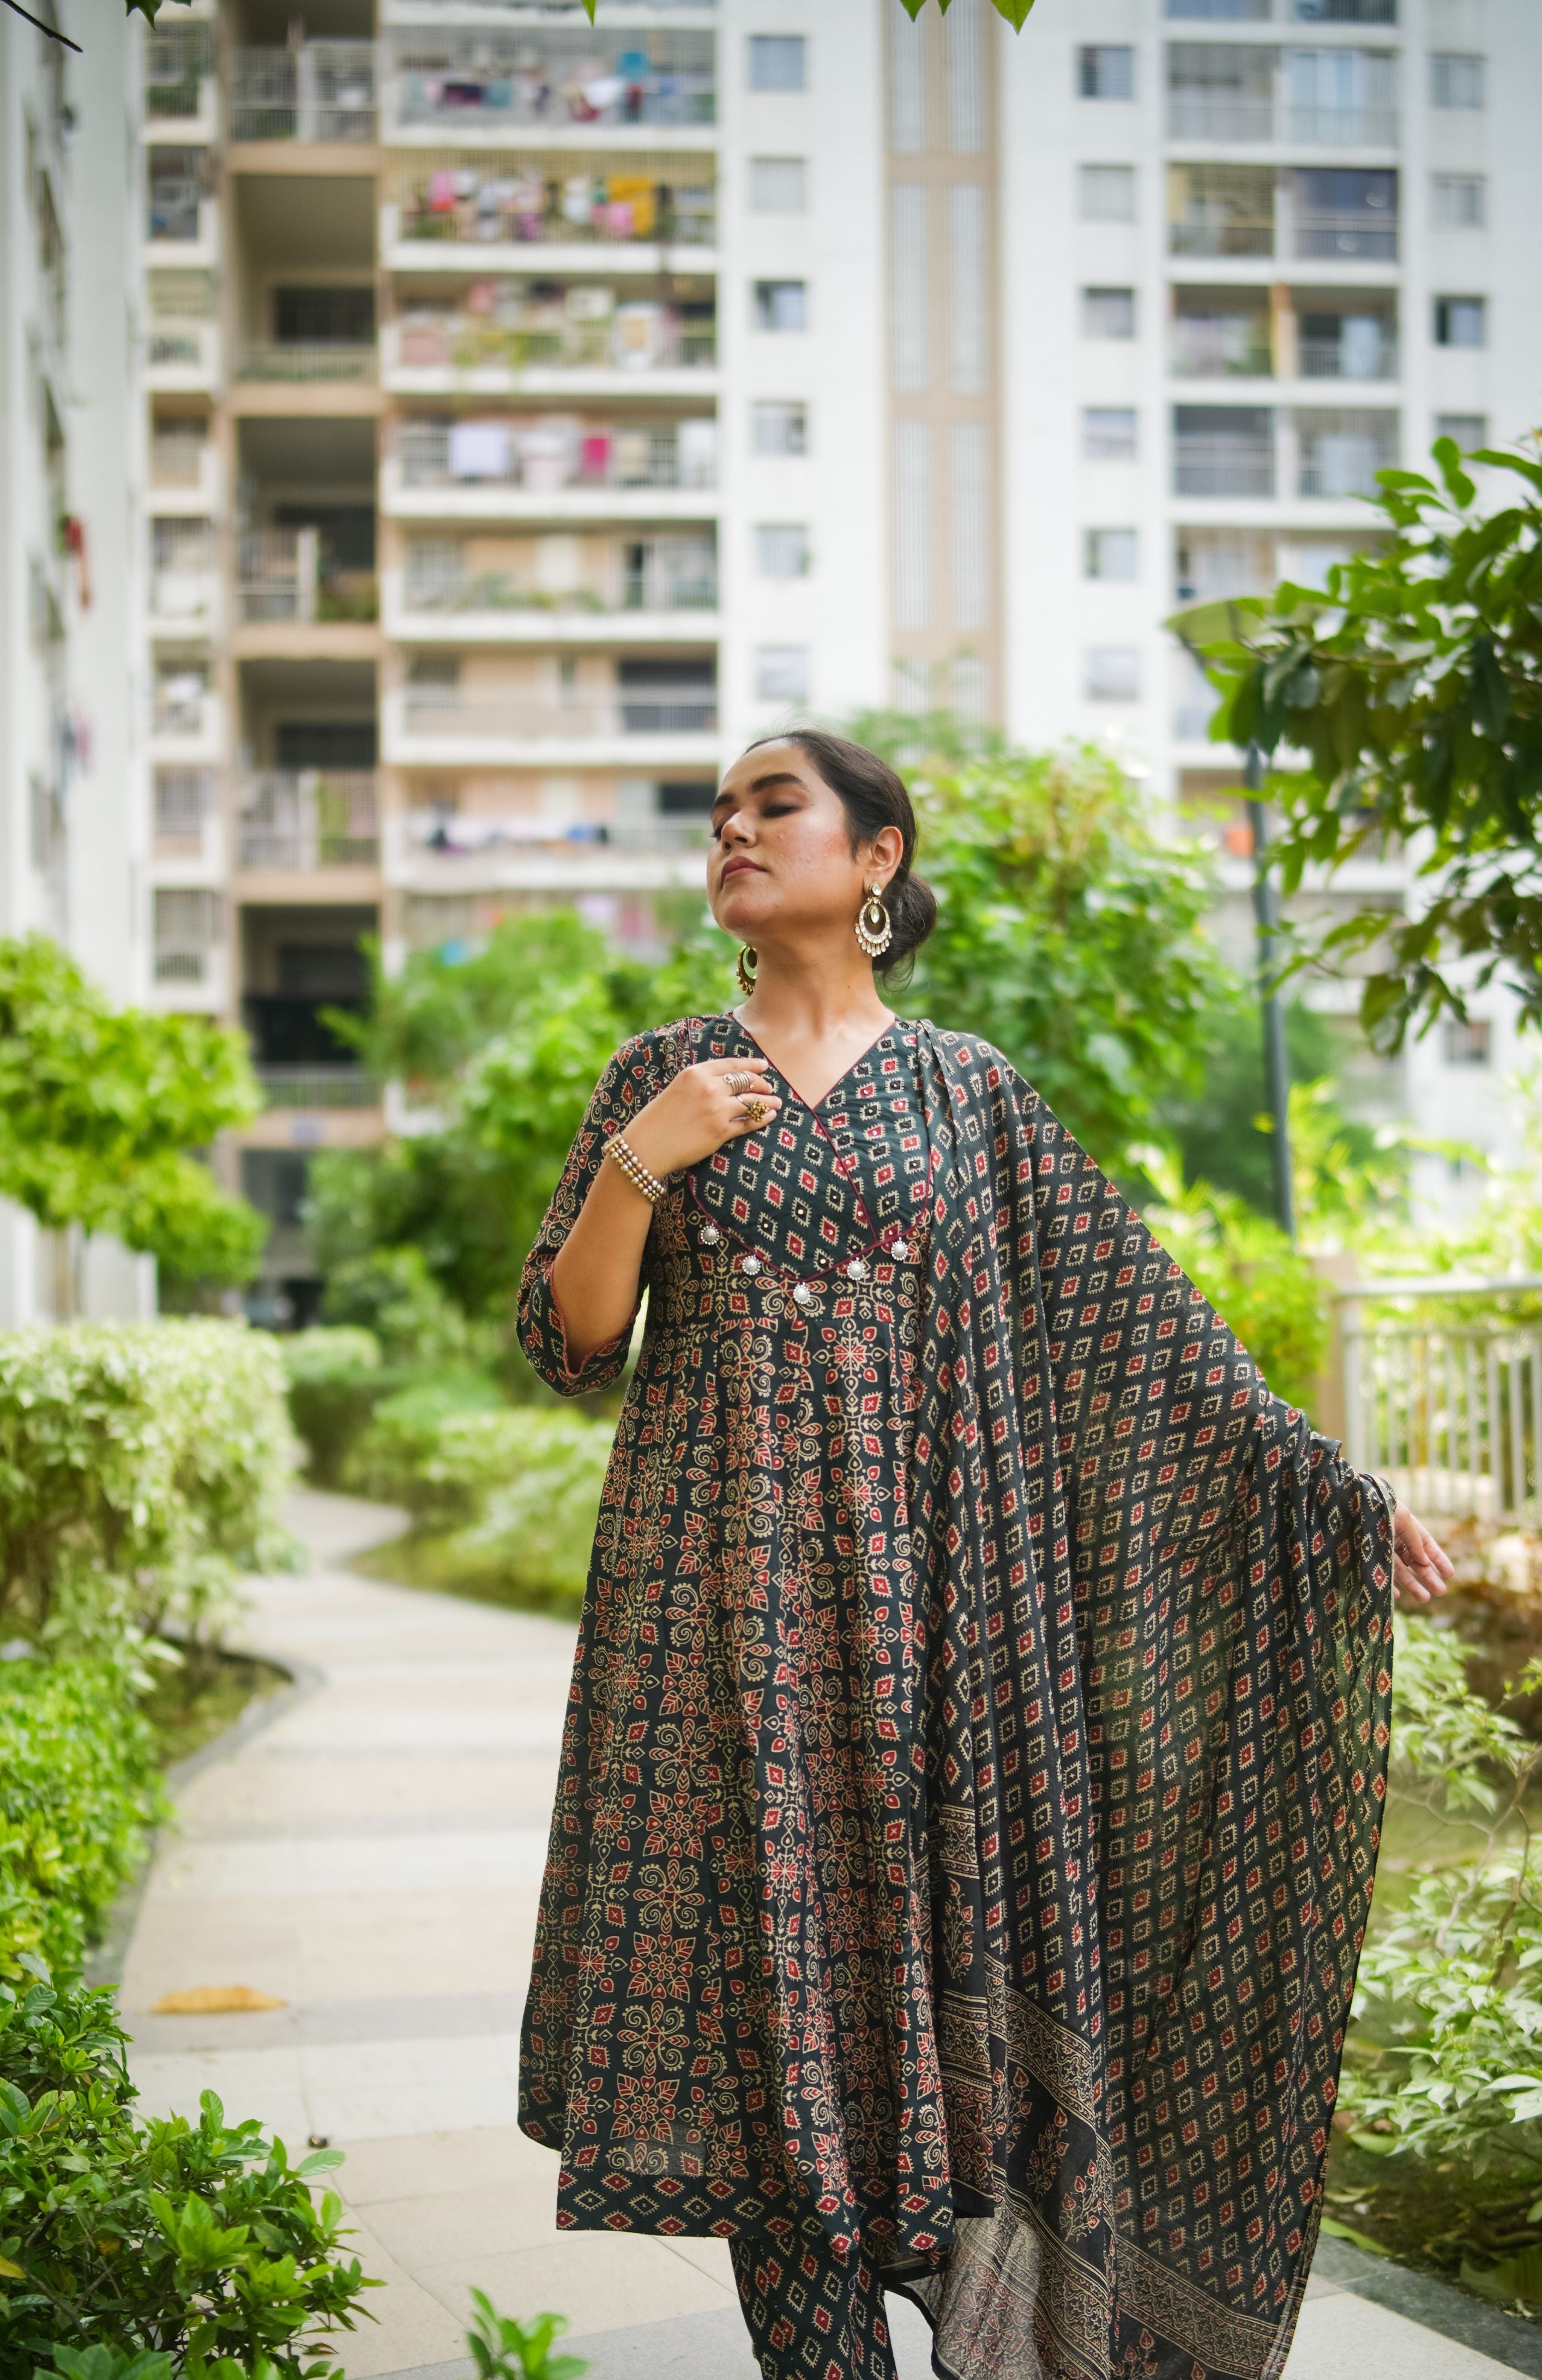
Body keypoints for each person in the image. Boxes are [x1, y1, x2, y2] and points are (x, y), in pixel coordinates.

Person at [514, 730, 1451, 2380]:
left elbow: (1134, 1330)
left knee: (932, 2013)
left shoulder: (967, 1092)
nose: (735, 833)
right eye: (720, 816)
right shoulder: (662, 1073)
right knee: (766, 2025)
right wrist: (645, 1154)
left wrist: (1322, 1492)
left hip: (937, 1630)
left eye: (775, 806)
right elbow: (570, 1340)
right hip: (719, 1624)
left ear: (878, 856)